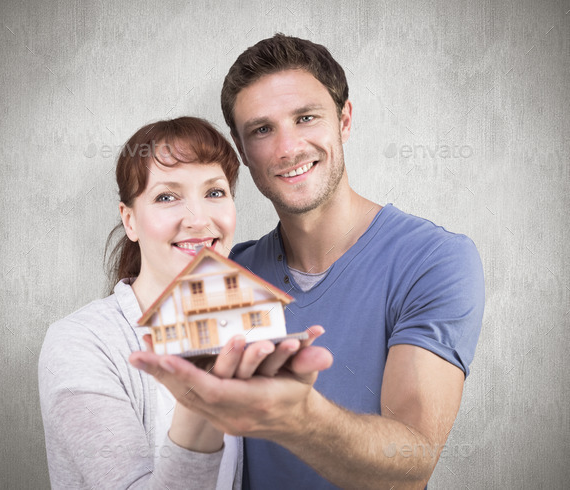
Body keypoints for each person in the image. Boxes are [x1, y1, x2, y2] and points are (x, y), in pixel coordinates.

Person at [132, 34, 485, 489]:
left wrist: (297, 417)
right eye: (262, 130)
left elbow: (411, 464)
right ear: (242, 152)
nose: (287, 148)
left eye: (305, 118)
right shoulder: (226, 276)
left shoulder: (434, 260)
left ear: (345, 119)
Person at [38, 116, 324, 489]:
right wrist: (199, 404)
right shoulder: (79, 343)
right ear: (130, 221)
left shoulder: (242, 328)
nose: (198, 218)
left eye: (215, 192)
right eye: (167, 197)